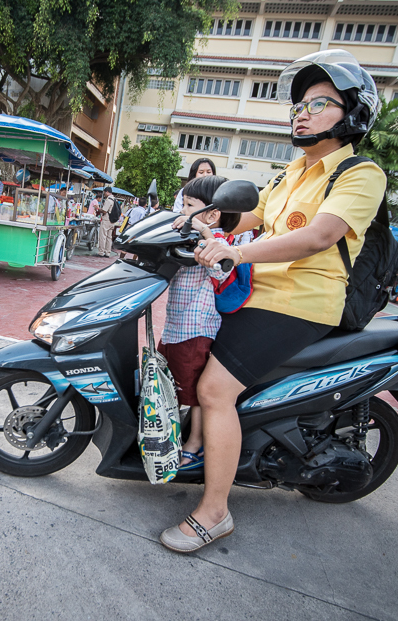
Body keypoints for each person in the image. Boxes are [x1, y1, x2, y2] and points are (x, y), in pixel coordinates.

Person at [158, 50, 385, 553]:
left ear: (352, 112)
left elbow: (317, 237)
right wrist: (193, 222)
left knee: (215, 390)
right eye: (298, 105)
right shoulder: (292, 172)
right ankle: (204, 448)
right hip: (260, 296)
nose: (301, 112)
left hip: (302, 302)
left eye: (319, 103)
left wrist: (234, 254)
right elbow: (248, 216)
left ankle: (214, 513)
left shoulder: (358, 174)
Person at [158, 175, 242, 470]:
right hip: (176, 327)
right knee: (172, 383)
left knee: (194, 392)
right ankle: (176, 434)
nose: (183, 210)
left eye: (189, 205)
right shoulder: (189, 236)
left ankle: (195, 443)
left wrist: (205, 232)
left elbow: (222, 270)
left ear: (212, 214)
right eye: (182, 204)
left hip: (196, 329)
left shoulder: (216, 242)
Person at [96, 186, 117, 257]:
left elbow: (104, 210)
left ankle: (101, 252)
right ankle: (108, 252)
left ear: (107, 192)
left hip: (106, 220)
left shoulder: (108, 200)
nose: (104, 194)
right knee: (109, 237)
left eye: (104, 192)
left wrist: (98, 209)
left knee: (103, 236)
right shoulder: (115, 200)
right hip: (112, 221)